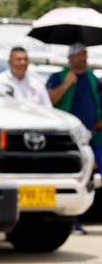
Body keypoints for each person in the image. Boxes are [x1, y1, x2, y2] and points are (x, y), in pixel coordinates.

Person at [47, 42, 102, 233]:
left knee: (95, 178)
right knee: (74, 176)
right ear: (71, 58)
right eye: (79, 54)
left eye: (85, 54)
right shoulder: (58, 77)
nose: (83, 58)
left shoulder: (94, 79)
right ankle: (73, 221)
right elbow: (50, 101)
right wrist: (67, 84)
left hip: (94, 138)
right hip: (69, 138)